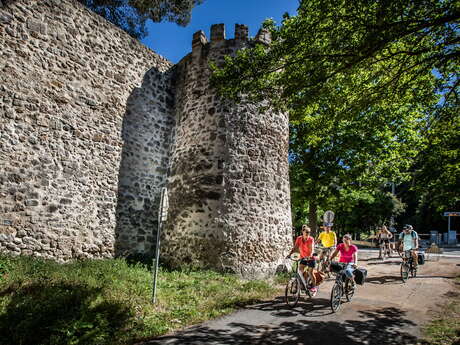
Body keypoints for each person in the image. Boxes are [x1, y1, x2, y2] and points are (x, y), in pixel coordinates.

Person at [286, 225, 318, 294]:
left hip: (311, 258)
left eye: (309, 232)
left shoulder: (311, 239)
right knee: (299, 271)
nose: (307, 233)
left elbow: (312, 248)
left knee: (310, 272)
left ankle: (314, 287)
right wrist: (289, 254)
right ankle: (301, 285)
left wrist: (310, 255)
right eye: (306, 232)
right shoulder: (299, 239)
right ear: (302, 232)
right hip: (303, 257)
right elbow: (295, 247)